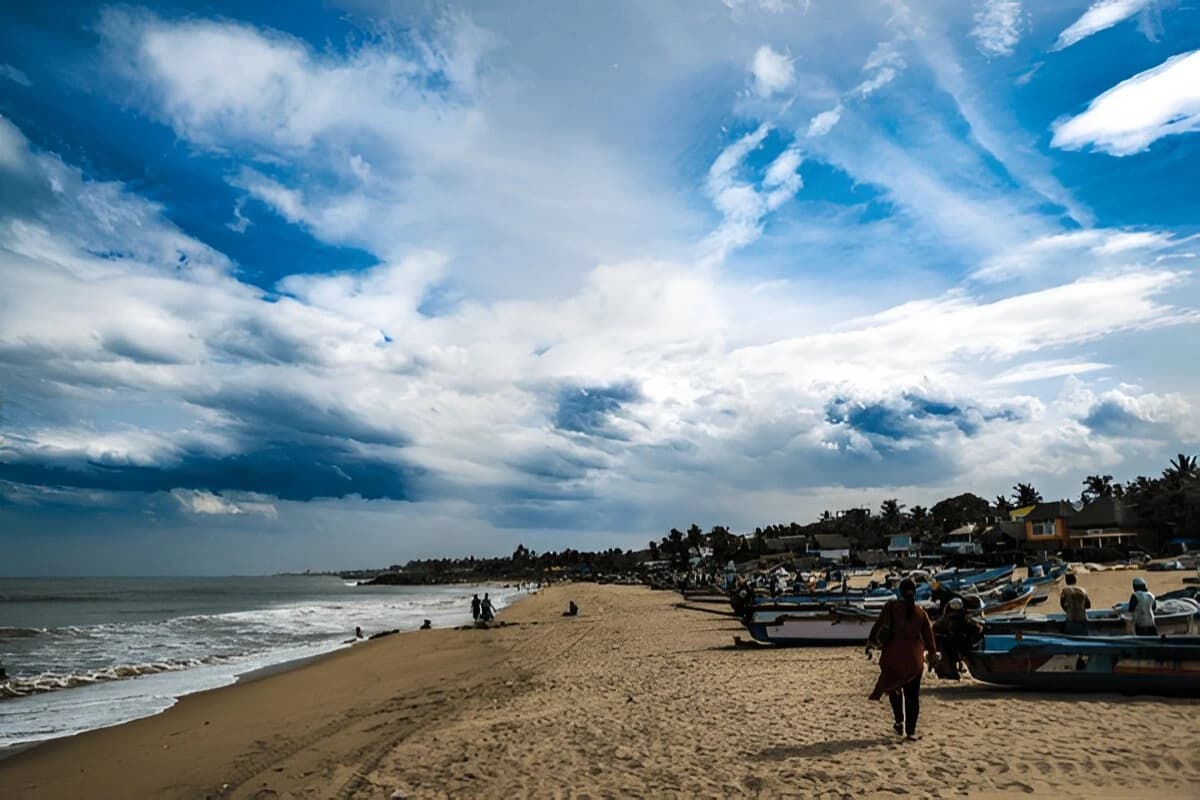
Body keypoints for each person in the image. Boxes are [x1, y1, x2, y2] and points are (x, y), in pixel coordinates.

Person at [867, 578, 937, 741]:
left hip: (893, 657)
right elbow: (929, 638)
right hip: (914, 660)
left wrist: (870, 643)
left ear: (900, 591)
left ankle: (899, 721)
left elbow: (877, 626)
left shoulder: (891, 607)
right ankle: (911, 732)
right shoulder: (921, 613)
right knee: (912, 696)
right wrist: (933, 653)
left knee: (894, 688)